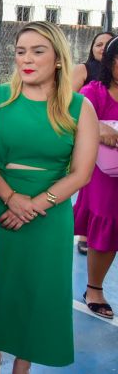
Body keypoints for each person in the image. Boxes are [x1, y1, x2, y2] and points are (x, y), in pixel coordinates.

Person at [0, 21, 98, 372]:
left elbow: (81, 173)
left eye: (37, 51)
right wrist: (11, 197)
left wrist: (34, 205)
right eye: (20, 52)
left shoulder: (79, 108)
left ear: (58, 59)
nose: (26, 59)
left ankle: (23, 366)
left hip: (50, 216)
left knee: (36, 293)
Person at [73, 35, 118, 320]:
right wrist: (98, 125)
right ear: (111, 63)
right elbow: (72, 115)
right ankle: (94, 288)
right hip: (104, 174)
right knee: (107, 221)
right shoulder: (95, 92)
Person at [72, 30, 114, 254]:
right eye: (98, 44)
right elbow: (68, 100)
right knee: (91, 189)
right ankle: (85, 233)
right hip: (89, 137)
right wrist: (94, 125)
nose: (102, 48)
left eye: (107, 45)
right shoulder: (86, 73)